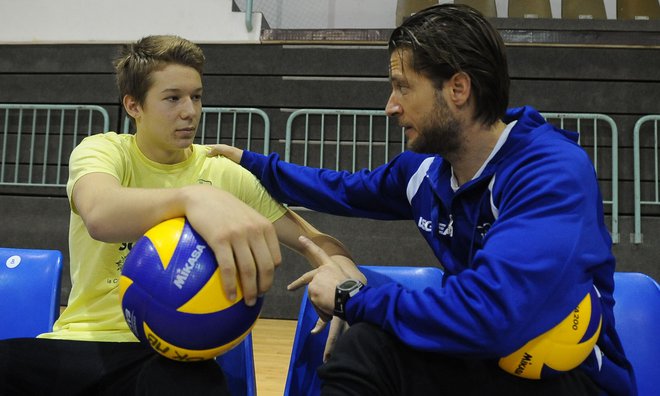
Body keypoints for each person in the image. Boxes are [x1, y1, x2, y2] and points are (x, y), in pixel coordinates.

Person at [209, 4, 635, 395]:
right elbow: (341, 188)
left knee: (367, 325)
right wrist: (253, 164)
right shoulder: (426, 171)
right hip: (477, 358)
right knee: (365, 346)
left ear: (458, 89)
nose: (390, 107)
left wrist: (351, 298)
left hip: (567, 376)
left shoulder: (549, 172)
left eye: (402, 88)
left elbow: (490, 315)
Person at [0, 35, 360, 395]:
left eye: (196, 96)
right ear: (133, 105)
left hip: (172, 356)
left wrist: (343, 274)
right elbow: (99, 213)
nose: (190, 111)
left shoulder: (224, 174)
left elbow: (313, 241)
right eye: (173, 98)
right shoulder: (105, 151)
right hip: (84, 341)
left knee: (196, 386)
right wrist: (192, 199)